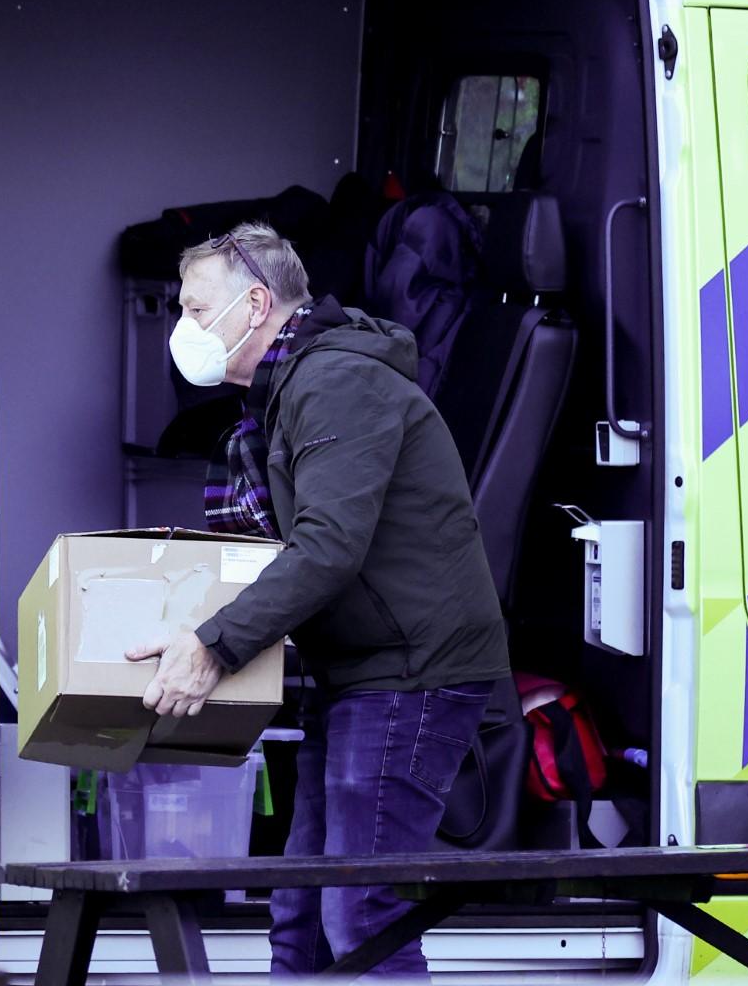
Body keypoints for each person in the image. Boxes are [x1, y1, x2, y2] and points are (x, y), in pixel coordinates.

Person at [125, 220, 511, 979]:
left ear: (256, 303)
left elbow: (329, 545)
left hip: (412, 671)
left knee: (362, 911)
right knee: (300, 908)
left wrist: (213, 645)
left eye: (197, 310)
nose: (184, 328)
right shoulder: (291, 389)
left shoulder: (336, 382)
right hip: (364, 672)